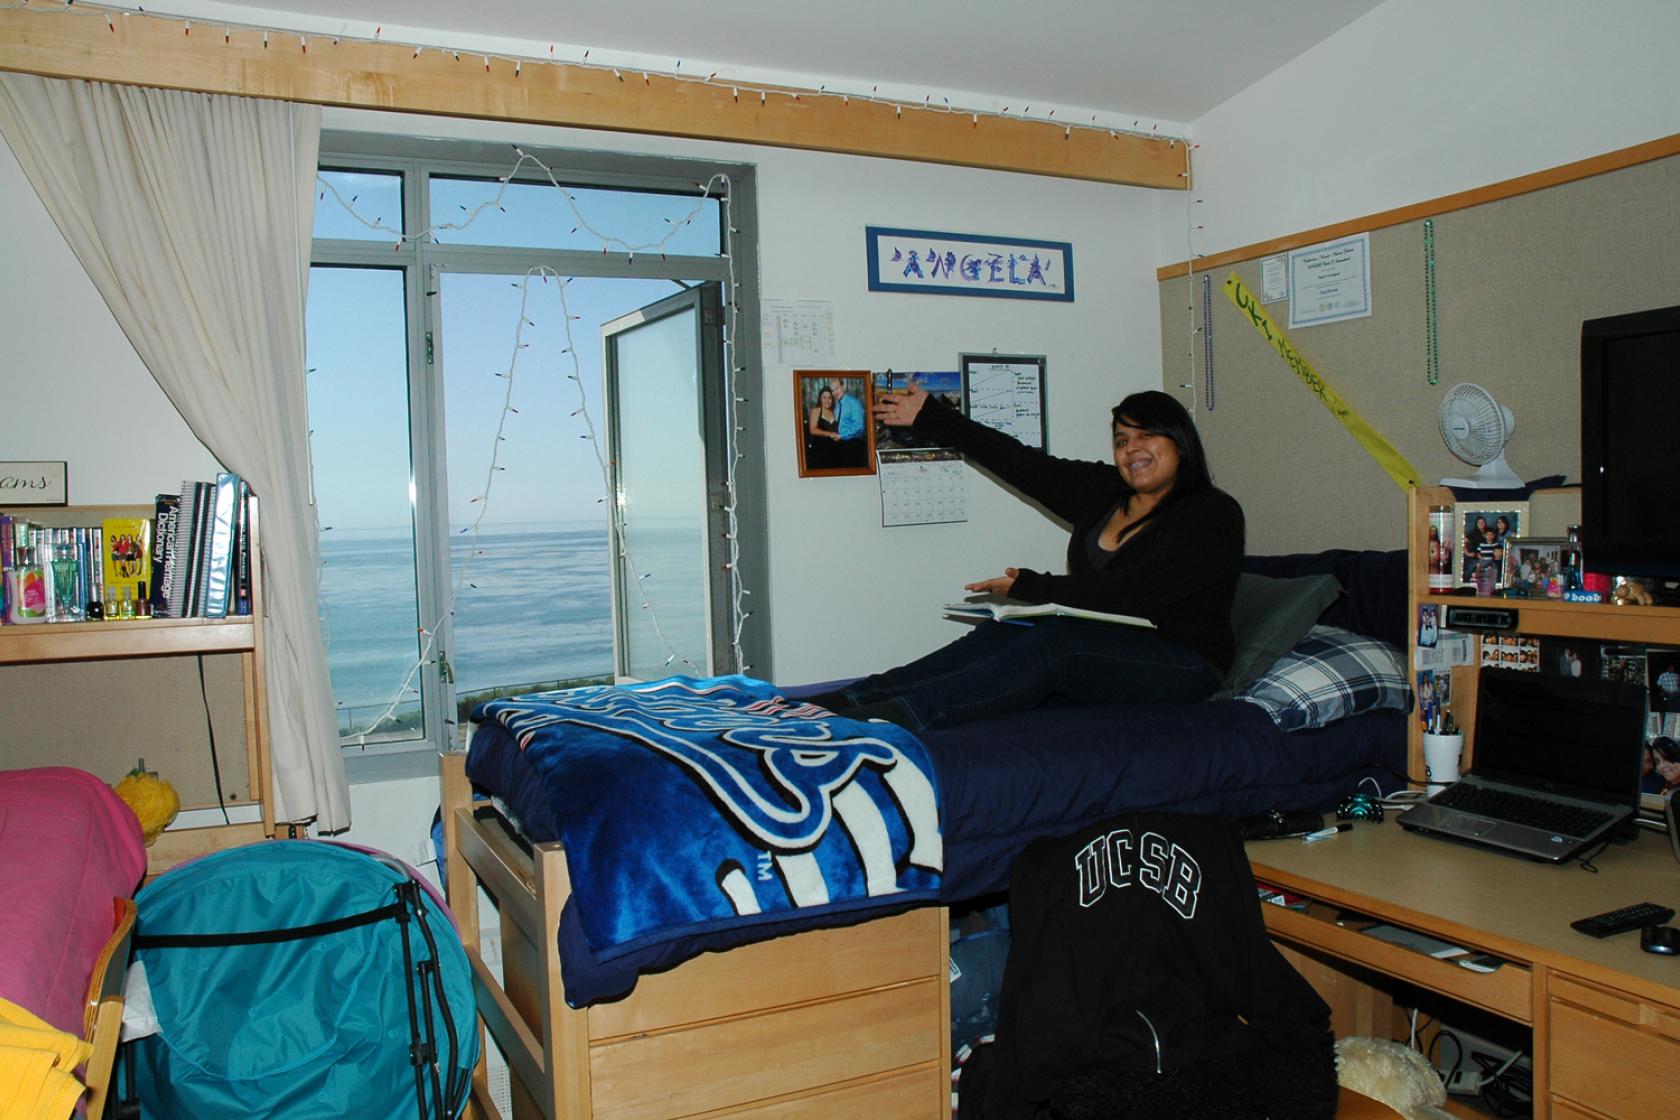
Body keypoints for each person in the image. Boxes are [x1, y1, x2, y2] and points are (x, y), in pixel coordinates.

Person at [807, 388, 1244, 731]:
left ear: (1180, 442)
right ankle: (851, 699)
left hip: (1182, 662)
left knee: (1056, 643)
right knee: (1008, 629)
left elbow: (1138, 592)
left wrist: (1034, 587)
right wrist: (933, 417)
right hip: (1112, 645)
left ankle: (899, 717)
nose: (1132, 449)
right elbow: (1022, 464)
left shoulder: (1212, 513)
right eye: (1122, 439)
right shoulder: (1104, 489)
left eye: (1147, 435)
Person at [805, 385, 841, 469]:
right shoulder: (816, 411)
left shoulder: (835, 412)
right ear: (820, 399)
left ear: (832, 399)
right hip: (819, 453)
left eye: (829, 398)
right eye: (824, 397)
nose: (827, 400)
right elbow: (813, 430)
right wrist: (830, 434)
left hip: (835, 452)